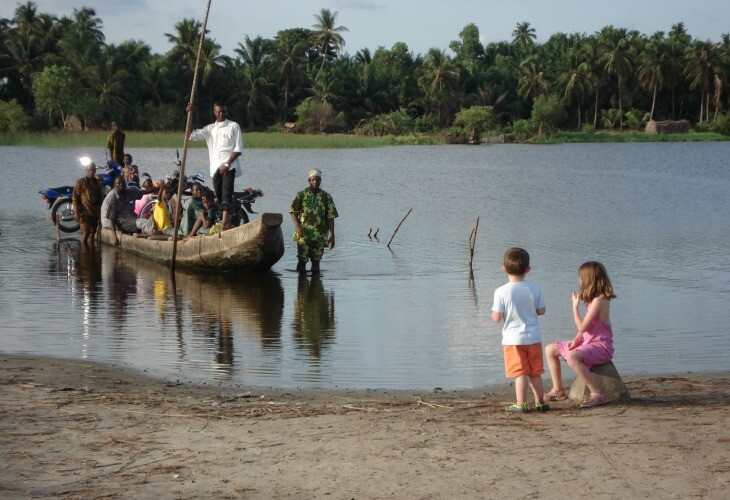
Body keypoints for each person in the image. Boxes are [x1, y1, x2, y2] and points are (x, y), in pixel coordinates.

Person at [544, 261, 617, 408]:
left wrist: (574, 307)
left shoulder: (600, 301)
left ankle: (597, 393)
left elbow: (582, 326)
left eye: (580, 277)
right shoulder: (593, 301)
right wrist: (576, 340)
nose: (579, 281)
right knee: (550, 349)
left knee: (572, 357)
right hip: (588, 344)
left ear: (588, 279)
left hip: (601, 347)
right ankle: (558, 390)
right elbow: (586, 329)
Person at [491, 247, 549, 413]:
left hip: (513, 339)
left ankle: (521, 403)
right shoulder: (534, 288)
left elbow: (496, 318)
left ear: (504, 268)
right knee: (535, 372)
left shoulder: (501, 291)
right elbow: (541, 311)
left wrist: (495, 313)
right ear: (527, 269)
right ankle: (540, 402)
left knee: (520, 373)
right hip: (534, 337)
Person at [187, 101, 243, 231]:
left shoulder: (233, 126)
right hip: (215, 170)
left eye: (223, 111)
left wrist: (227, 164)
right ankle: (226, 222)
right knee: (219, 196)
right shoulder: (210, 129)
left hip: (229, 167)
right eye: (218, 111)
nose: (221, 113)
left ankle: (225, 223)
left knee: (226, 195)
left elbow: (238, 149)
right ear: (214, 112)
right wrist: (190, 115)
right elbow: (191, 134)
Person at [289, 169, 338, 274]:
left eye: (317, 180)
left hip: (320, 235)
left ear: (320, 181)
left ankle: (316, 288)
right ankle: (302, 286)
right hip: (303, 233)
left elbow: (330, 217)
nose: (315, 182)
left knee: (316, 262)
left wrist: (332, 235)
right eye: (313, 180)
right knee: (302, 261)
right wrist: (298, 227)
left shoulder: (326, 197)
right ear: (309, 181)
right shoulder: (301, 195)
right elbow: (293, 212)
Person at [101, 177, 150, 245]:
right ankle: (152, 233)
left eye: (123, 183)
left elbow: (144, 192)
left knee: (145, 221)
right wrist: (115, 237)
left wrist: (160, 187)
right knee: (142, 222)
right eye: (119, 183)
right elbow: (111, 219)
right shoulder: (113, 198)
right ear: (115, 186)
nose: (121, 185)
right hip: (116, 222)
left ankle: (148, 232)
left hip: (127, 219)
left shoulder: (127, 191)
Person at [72, 161, 104, 246]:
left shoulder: (97, 183)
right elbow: (75, 197)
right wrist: (75, 212)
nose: (91, 172)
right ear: (86, 170)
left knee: (92, 232)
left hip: (95, 212)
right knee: (85, 231)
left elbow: (100, 197)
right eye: (89, 170)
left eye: (93, 170)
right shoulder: (80, 182)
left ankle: (89, 252)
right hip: (84, 211)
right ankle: (82, 252)